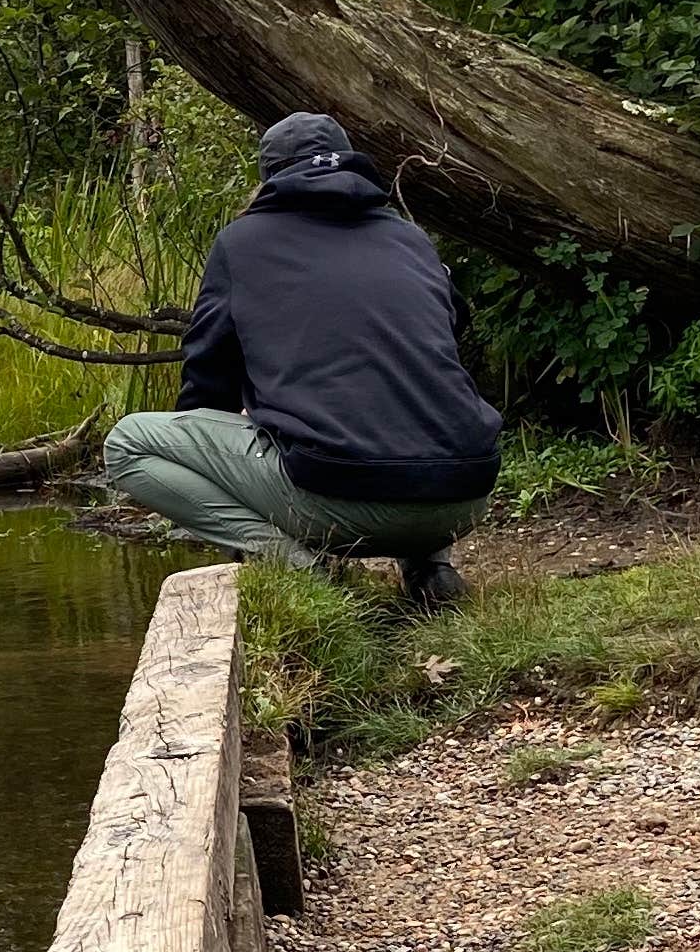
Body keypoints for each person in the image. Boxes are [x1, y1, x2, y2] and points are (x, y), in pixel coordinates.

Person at [103, 111, 502, 610]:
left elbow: (208, 374)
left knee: (127, 443)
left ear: (270, 176)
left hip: (339, 500)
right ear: (353, 163)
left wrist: (228, 433)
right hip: (464, 496)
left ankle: (303, 573)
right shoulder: (410, 238)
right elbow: (444, 331)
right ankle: (430, 568)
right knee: (404, 398)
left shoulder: (242, 243)